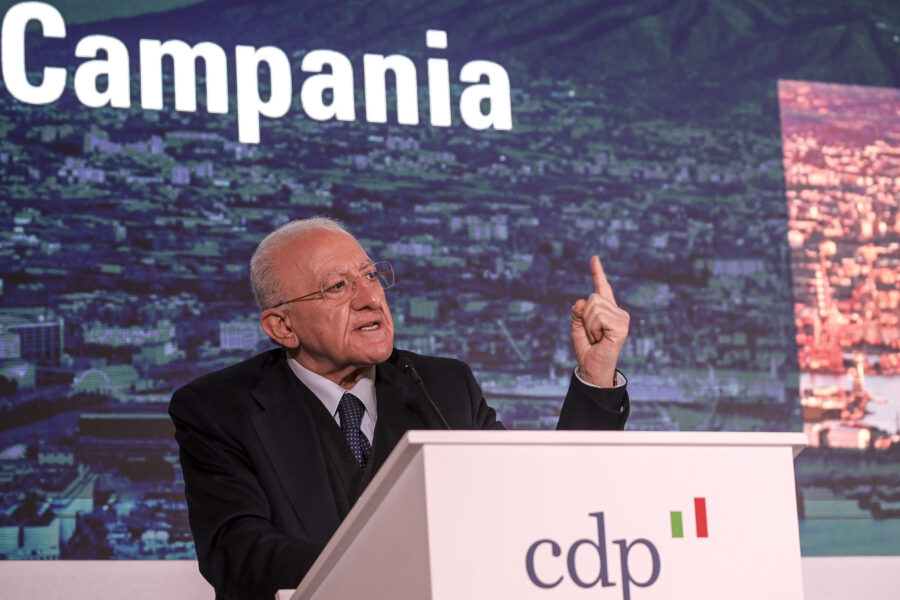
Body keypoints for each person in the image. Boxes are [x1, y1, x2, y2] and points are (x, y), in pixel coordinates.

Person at [169, 217, 631, 600]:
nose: (369, 298)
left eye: (371, 276)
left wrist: (596, 377)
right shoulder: (219, 408)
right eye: (337, 286)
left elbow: (535, 503)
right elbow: (238, 555)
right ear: (282, 326)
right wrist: (401, 566)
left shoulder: (443, 386)